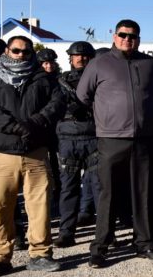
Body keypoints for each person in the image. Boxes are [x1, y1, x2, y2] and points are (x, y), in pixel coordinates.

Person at [0, 36, 66, 276]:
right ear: (7, 51)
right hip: (1, 155)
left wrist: (35, 122)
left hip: (36, 154)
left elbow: (57, 104)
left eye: (26, 51)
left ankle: (41, 254)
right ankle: (0, 258)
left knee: (40, 207)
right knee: (1, 208)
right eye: (16, 51)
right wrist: (14, 126)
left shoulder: (44, 78)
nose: (21, 55)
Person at [77, 19, 153, 268]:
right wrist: (107, 114)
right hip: (111, 138)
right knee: (108, 194)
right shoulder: (99, 63)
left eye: (133, 36)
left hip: (143, 139)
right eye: (123, 35)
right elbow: (83, 95)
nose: (128, 39)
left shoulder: (149, 64)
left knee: (144, 193)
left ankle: (145, 244)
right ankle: (100, 247)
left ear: (138, 39)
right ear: (114, 36)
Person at [53, 41, 100, 248]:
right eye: (77, 55)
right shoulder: (59, 81)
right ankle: (66, 232)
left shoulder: (100, 80)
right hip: (68, 139)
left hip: (94, 138)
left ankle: (103, 233)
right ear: (70, 58)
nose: (81, 58)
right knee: (68, 188)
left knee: (100, 188)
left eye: (85, 56)